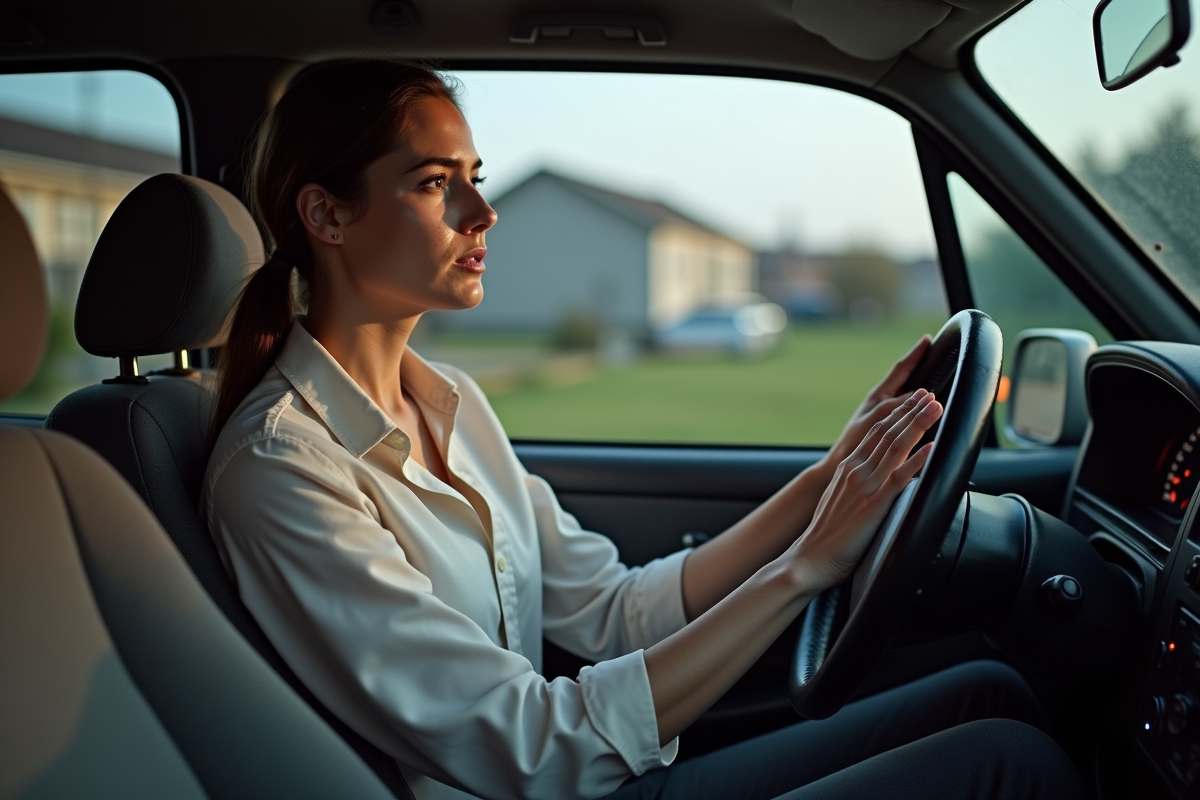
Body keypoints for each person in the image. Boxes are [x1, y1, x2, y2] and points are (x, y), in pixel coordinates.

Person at [201, 60, 1085, 800]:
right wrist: (806, 566)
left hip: (596, 775)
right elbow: (534, 747)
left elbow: (619, 614)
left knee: (986, 695)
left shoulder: (454, 401)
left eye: (475, 175)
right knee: (1011, 761)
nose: (482, 211)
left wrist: (829, 479)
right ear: (327, 216)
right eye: (436, 184)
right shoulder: (280, 469)